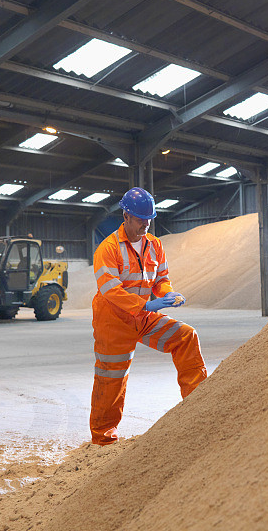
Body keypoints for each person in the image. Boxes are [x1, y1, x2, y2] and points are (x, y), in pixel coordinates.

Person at [89, 187, 207, 445]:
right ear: (126, 216)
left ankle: (200, 405)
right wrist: (149, 305)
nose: (146, 224)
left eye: (149, 219)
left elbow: (161, 279)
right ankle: (103, 439)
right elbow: (111, 291)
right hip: (114, 321)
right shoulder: (108, 249)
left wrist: (168, 294)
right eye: (141, 219)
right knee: (111, 377)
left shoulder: (155, 245)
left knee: (186, 337)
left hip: (143, 316)